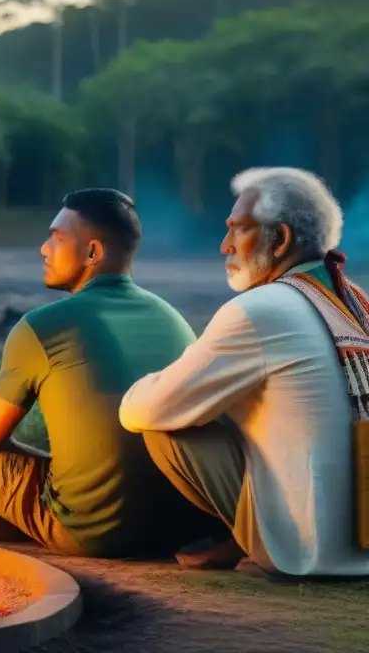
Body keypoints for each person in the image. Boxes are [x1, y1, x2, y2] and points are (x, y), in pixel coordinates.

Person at [0, 188, 221, 557]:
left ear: (92, 253)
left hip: (94, 532)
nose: (43, 248)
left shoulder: (43, 326)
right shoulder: (174, 318)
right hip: (176, 525)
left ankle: (33, 526)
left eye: (56, 237)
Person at [120, 167, 369, 576]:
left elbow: (142, 411)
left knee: (168, 427)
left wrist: (150, 384)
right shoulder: (355, 300)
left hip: (304, 553)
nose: (224, 246)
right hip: (362, 542)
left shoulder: (260, 309)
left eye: (237, 230)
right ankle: (233, 541)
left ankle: (247, 541)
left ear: (282, 239)